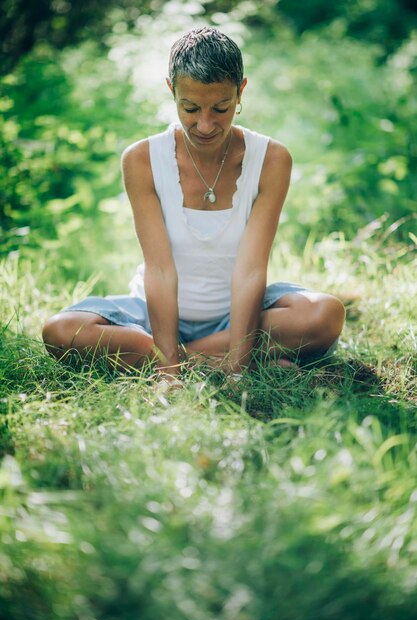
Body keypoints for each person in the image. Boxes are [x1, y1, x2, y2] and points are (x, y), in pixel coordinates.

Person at [42, 27, 345, 379]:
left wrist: (236, 364)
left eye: (221, 107)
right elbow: (159, 269)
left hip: (240, 315)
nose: (205, 125)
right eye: (190, 108)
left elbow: (250, 271)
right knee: (62, 331)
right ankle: (191, 358)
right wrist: (169, 370)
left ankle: (192, 357)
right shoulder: (141, 159)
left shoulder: (272, 159)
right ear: (171, 90)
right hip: (152, 314)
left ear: (240, 90)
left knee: (324, 315)